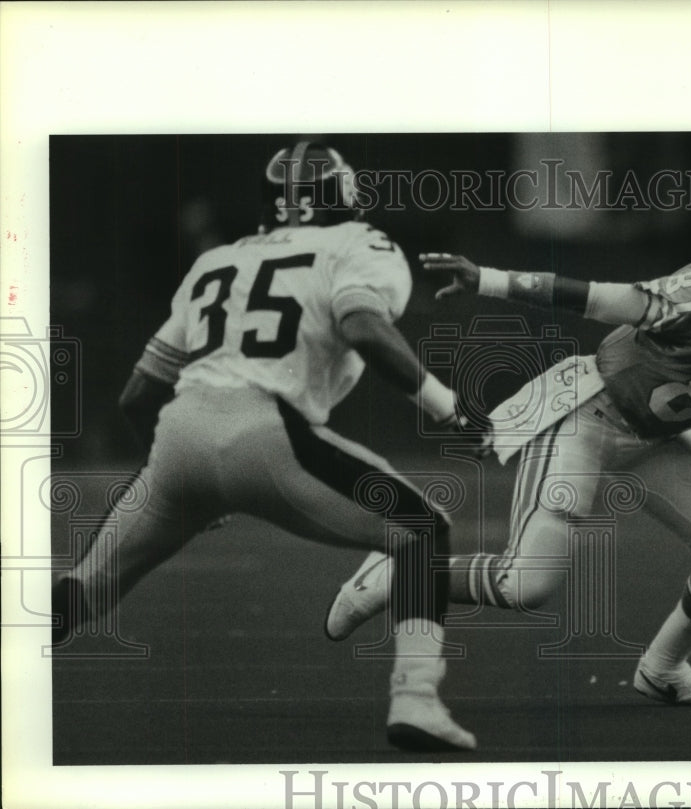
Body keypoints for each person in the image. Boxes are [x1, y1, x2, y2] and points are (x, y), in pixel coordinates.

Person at [50, 140, 482, 751]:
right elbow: (363, 327)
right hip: (267, 430)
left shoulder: (219, 259)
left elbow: (136, 396)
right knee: (422, 530)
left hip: (178, 434)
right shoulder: (359, 244)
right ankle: (416, 698)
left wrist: (182, 481)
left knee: (85, 586)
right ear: (342, 196)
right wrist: (447, 406)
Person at [326, 224, 691, 706]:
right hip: (590, 408)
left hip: (656, 435)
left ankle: (663, 670)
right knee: (526, 583)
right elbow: (598, 299)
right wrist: (487, 279)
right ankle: (397, 574)